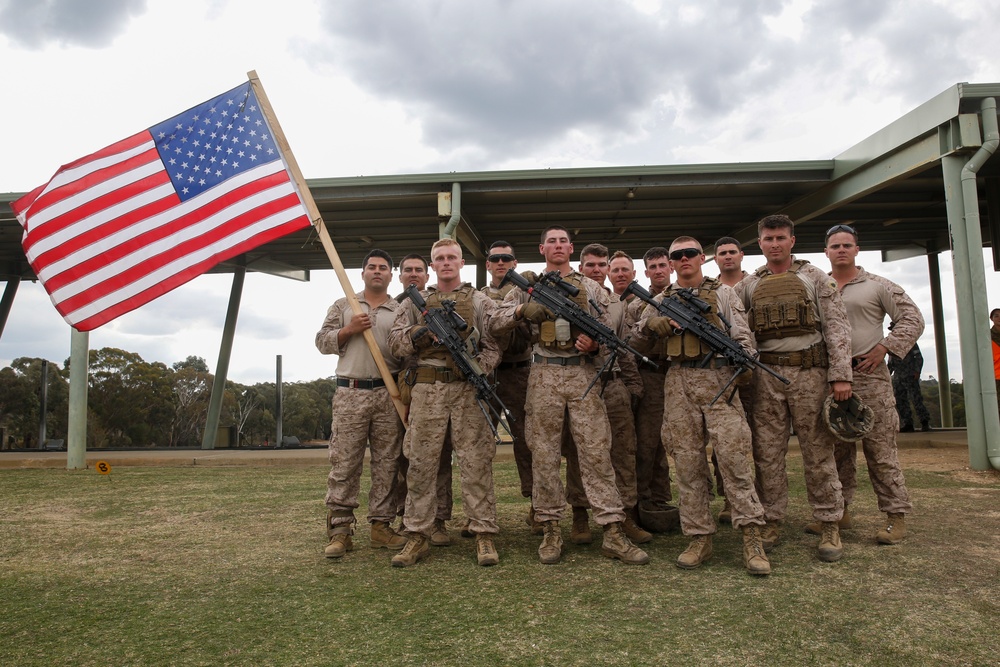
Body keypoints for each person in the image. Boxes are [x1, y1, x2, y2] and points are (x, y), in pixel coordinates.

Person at [490, 226, 649, 565]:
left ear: (571, 248)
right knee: (544, 454)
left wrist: (595, 344)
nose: (558, 246)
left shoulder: (590, 286)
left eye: (563, 241)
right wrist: (521, 312)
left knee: (596, 452)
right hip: (543, 373)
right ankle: (549, 529)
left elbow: (609, 331)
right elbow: (494, 321)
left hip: (583, 374)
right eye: (552, 241)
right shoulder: (528, 287)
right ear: (542, 248)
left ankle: (612, 531)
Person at [632, 236, 770, 575]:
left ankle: (752, 537)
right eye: (677, 255)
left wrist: (743, 367)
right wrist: (653, 324)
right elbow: (638, 332)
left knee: (734, 460)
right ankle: (698, 537)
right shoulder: (662, 298)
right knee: (688, 465)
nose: (684, 259)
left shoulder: (723, 293)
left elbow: (744, 340)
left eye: (690, 253)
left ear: (702, 258)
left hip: (718, 381)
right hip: (678, 383)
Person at [736, 213, 852, 563]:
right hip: (765, 377)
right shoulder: (748, 284)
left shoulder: (815, 278)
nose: (775, 244)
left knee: (818, 451)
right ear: (760, 243)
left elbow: (837, 326)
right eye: (768, 239)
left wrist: (840, 375)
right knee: (767, 454)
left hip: (810, 374)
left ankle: (829, 522)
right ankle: (771, 519)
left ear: (792, 241)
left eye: (781, 238)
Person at [388, 239, 502, 567]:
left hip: (467, 389)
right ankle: (417, 535)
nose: (447, 263)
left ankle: (483, 534)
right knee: (421, 464)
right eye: (440, 258)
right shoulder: (413, 302)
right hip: (427, 390)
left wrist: (478, 368)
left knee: (476, 462)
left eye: (452, 257)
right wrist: (419, 335)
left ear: (462, 262)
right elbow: (395, 344)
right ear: (432, 265)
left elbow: (494, 345)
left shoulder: (479, 300)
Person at [825, 224, 924, 544]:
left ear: (857, 250)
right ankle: (840, 512)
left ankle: (896, 516)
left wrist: (885, 347)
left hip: (869, 376)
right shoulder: (818, 287)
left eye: (846, 245)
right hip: (830, 378)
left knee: (880, 450)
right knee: (837, 451)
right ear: (826, 251)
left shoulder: (878, 286)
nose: (841, 250)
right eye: (835, 245)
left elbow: (913, 318)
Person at [316, 249, 407, 558]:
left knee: (387, 464)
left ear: (391, 275)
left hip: (387, 393)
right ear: (363, 272)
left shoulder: (401, 310)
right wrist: (349, 330)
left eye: (383, 267)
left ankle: (381, 525)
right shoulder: (345, 306)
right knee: (345, 462)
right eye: (372, 267)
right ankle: (340, 530)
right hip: (350, 392)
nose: (377, 271)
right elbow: (321, 341)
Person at [564, 246, 650, 546]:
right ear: (580, 267)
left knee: (623, 451)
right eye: (591, 265)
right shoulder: (569, 298)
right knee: (580, 452)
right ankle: (579, 513)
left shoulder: (617, 304)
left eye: (603, 265)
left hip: (613, 385)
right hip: (581, 382)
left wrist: (632, 385)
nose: (597, 270)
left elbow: (625, 347)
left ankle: (625, 515)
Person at [393, 253, 456, 547]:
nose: (414, 274)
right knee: (412, 459)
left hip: (446, 387)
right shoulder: (403, 306)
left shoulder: (443, 300)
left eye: (419, 270)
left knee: (441, 459)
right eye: (408, 270)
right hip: (412, 387)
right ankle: (409, 521)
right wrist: (417, 333)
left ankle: (439, 519)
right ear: (401, 274)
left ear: (427, 275)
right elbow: (395, 345)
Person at [480, 241, 534, 531]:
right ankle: (480, 511)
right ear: (487, 264)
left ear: (515, 263)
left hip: (519, 373)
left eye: (506, 258)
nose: (501, 263)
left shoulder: (526, 292)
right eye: (495, 259)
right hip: (486, 375)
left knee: (528, 442)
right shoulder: (478, 297)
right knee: (478, 445)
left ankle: (537, 506)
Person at [627, 247, 678, 533]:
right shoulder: (637, 305)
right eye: (653, 267)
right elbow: (629, 346)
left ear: (670, 267)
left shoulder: (689, 297)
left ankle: (664, 499)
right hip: (652, 374)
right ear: (646, 272)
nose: (658, 270)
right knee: (648, 444)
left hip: (684, 372)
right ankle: (642, 502)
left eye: (662, 265)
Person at [710, 235, 750, 523]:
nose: (727, 257)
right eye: (722, 253)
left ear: (742, 255)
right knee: (717, 448)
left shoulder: (752, 286)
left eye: (732, 252)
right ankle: (726, 501)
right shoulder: (709, 289)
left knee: (741, 445)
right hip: (710, 378)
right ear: (714, 258)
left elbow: (744, 334)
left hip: (742, 370)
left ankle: (753, 512)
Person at [888, 342, 931, 432]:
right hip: (898, 377)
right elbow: (891, 362)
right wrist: (887, 375)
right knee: (900, 401)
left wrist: (917, 371)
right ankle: (907, 424)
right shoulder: (891, 343)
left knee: (916, 399)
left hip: (910, 375)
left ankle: (924, 422)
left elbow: (919, 357)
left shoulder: (910, 342)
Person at [991, 308, 1000, 417]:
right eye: (996, 316)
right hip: (995, 378)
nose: (999, 318)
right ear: (992, 319)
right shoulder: (987, 336)